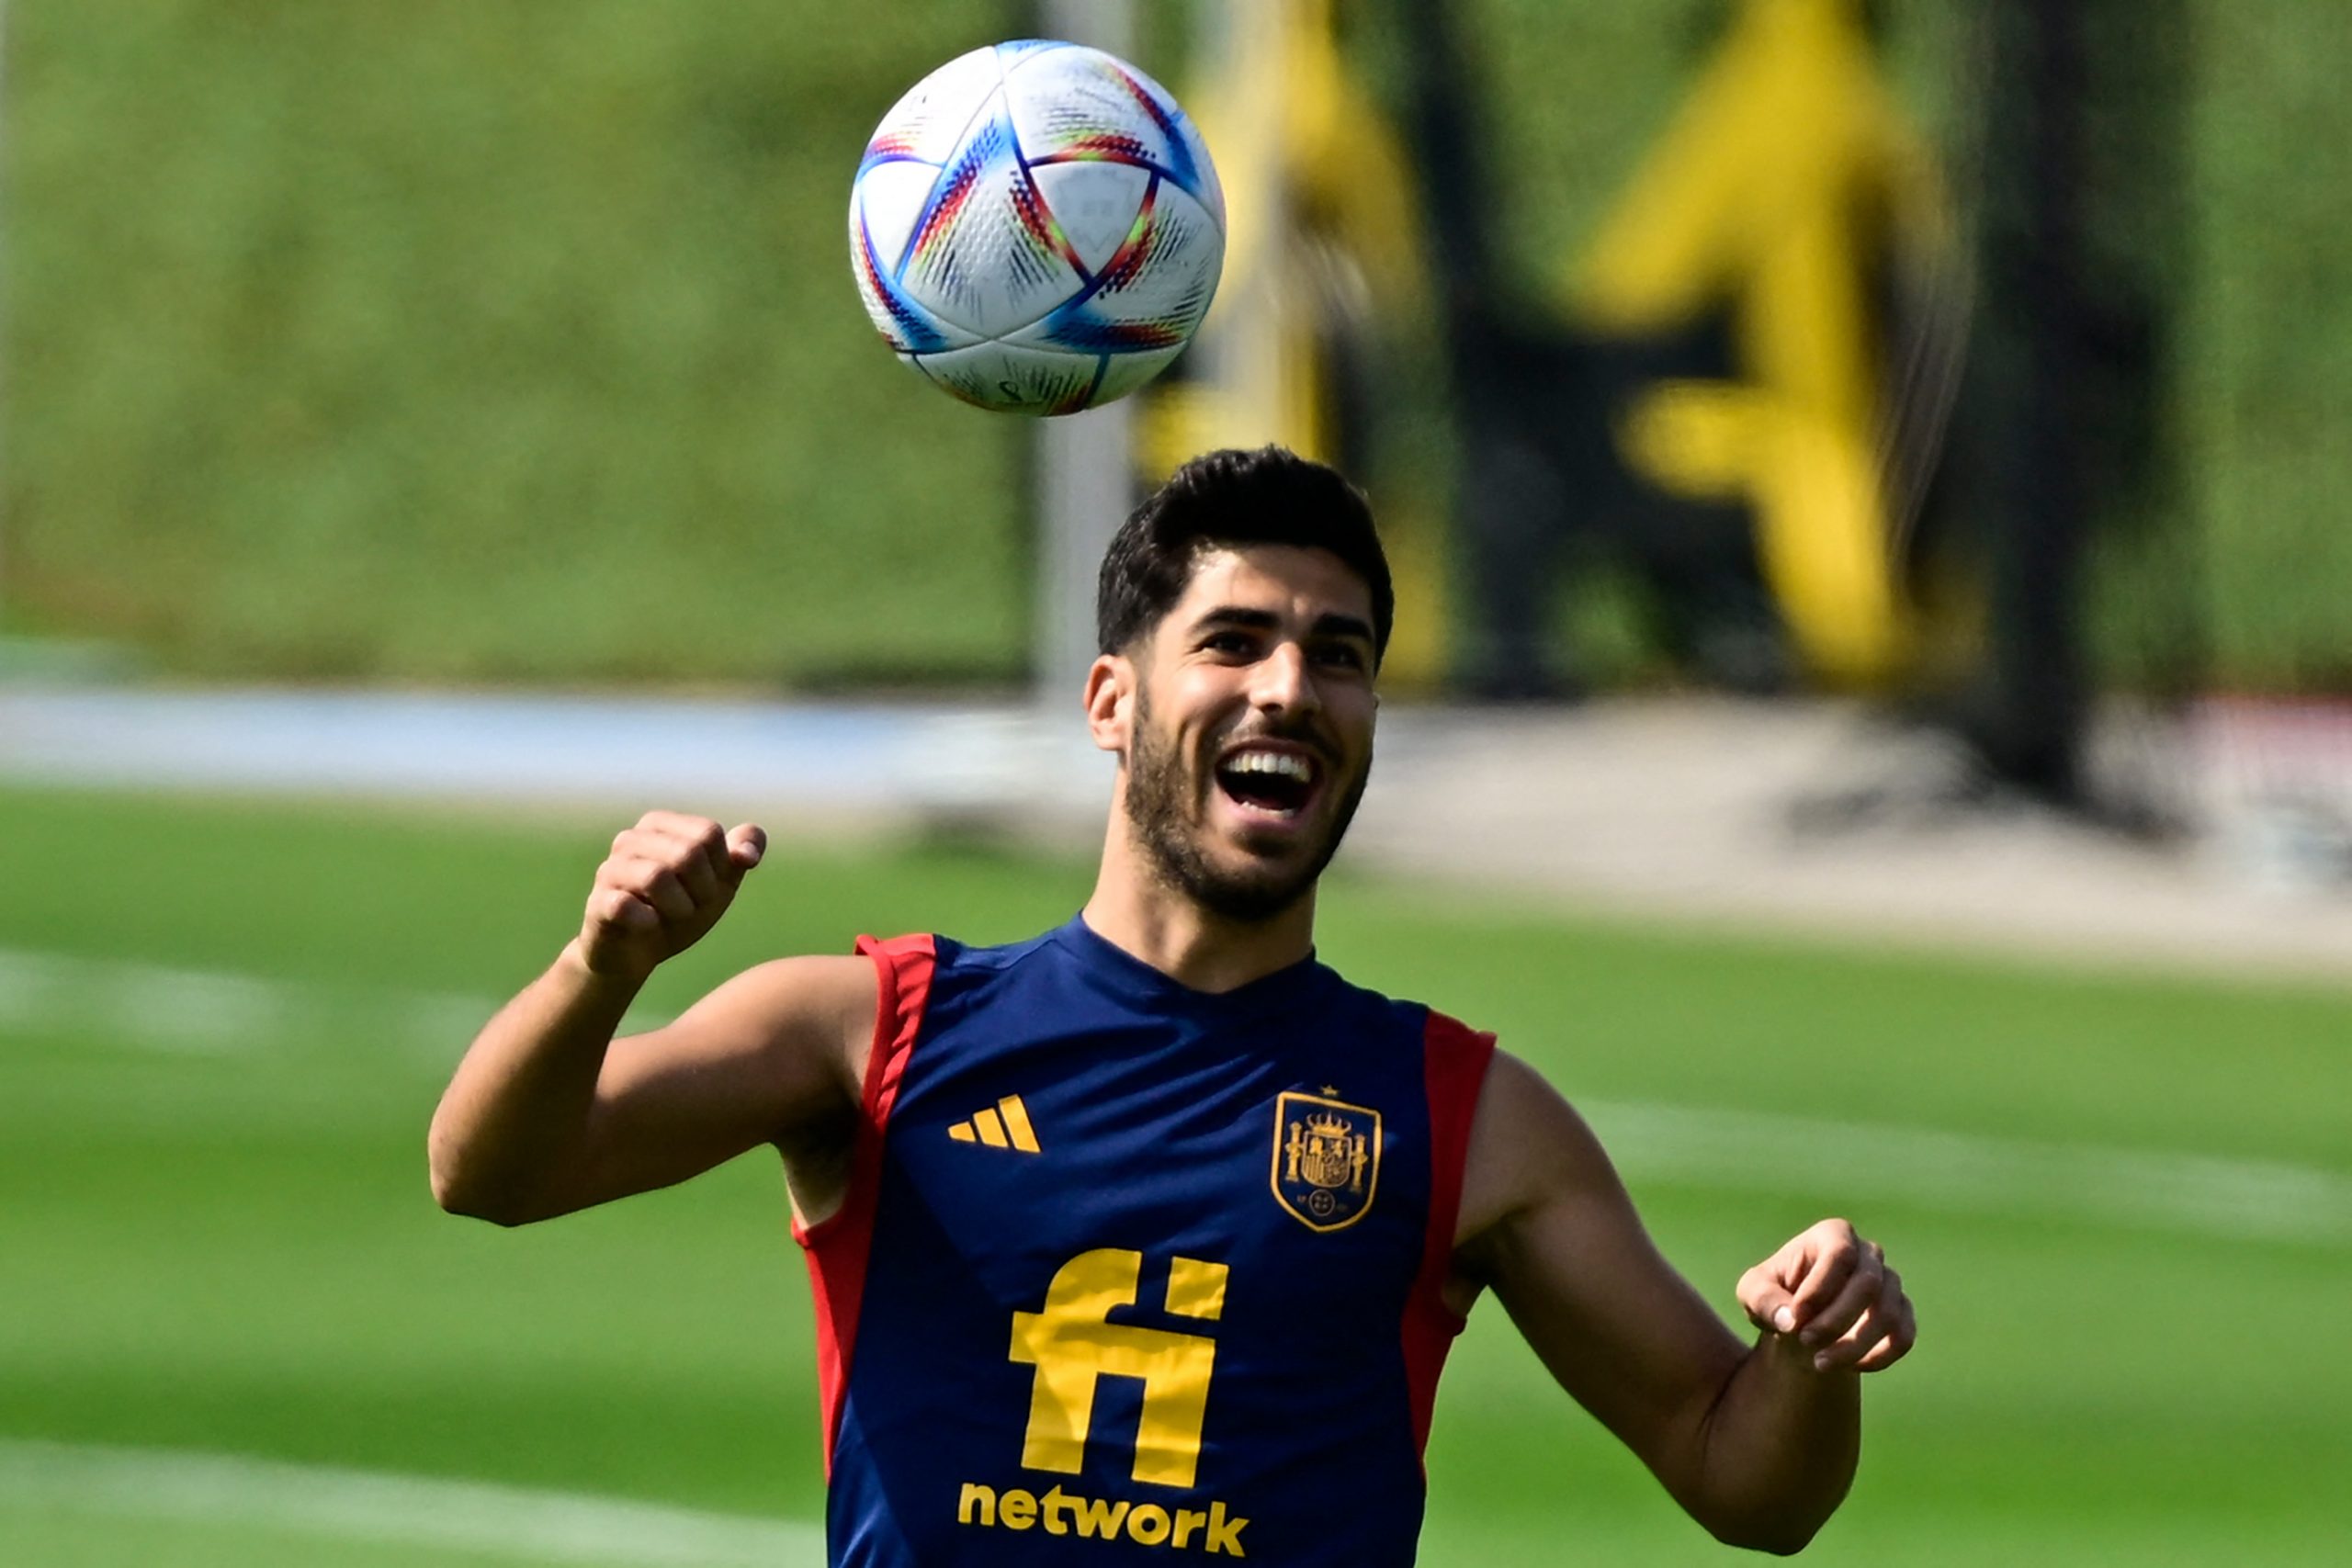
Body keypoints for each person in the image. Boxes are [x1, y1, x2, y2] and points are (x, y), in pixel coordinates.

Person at [429, 446, 1915, 1564]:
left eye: (1341, 656)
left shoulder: (1466, 1119)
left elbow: (1747, 1484)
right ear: (1110, 701)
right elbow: (488, 1172)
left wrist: (1811, 1354)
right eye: (1235, 641)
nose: (1290, 688)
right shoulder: (872, 1026)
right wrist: (599, 970)